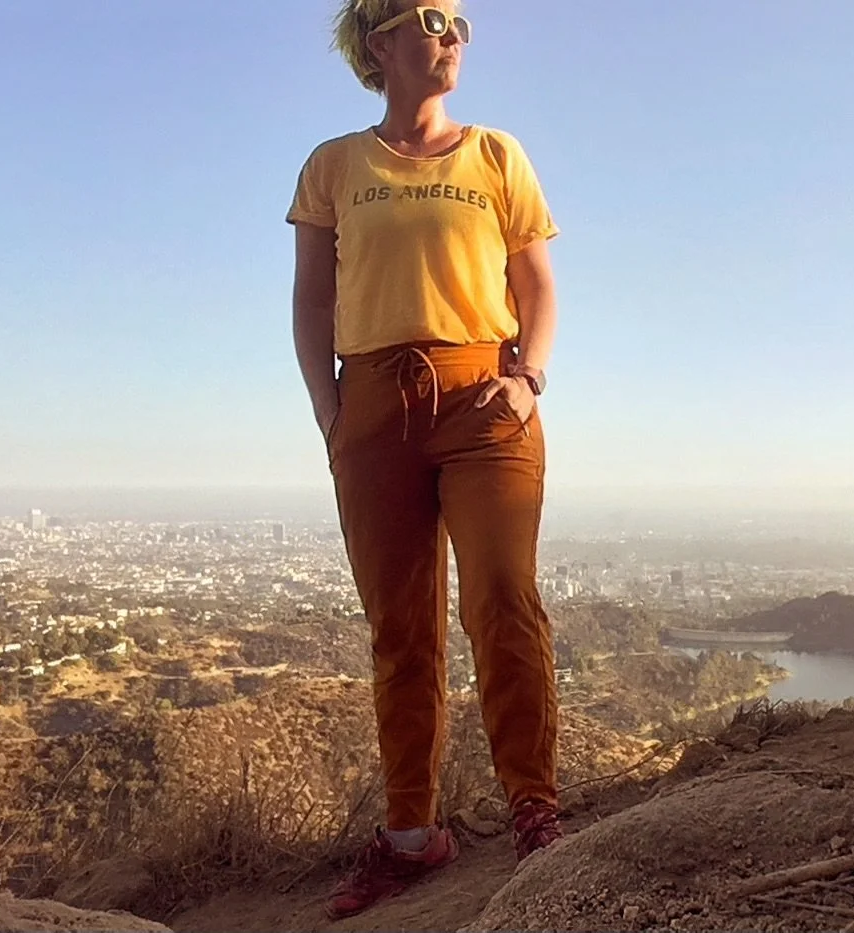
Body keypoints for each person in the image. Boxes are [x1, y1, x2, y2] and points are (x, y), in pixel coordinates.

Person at [286, 0, 563, 920]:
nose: (452, 36)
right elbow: (312, 305)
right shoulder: (334, 165)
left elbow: (536, 286)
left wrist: (529, 380)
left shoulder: (496, 155)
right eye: (434, 19)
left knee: (501, 598)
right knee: (399, 629)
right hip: (373, 407)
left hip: (484, 395)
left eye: (460, 24)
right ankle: (413, 833)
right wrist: (334, 416)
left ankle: (536, 811)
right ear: (381, 42)